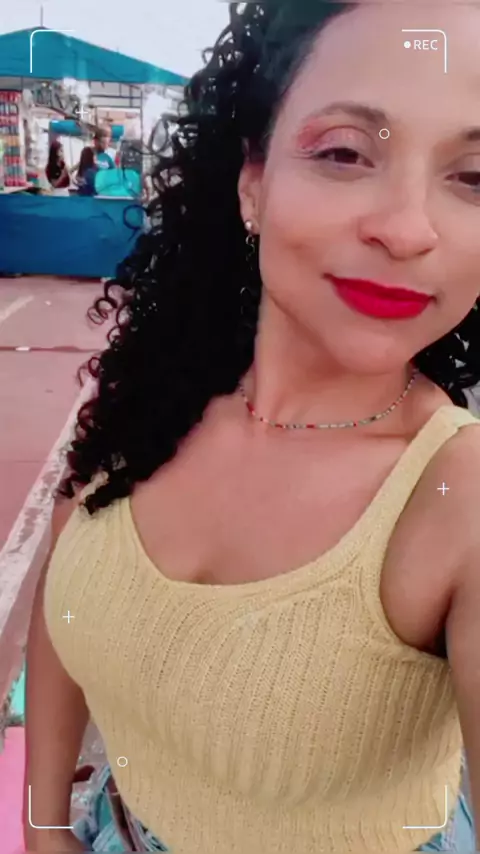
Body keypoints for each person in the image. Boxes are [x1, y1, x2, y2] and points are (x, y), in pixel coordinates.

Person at [23, 2, 480, 852]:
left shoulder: (458, 496)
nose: (408, 229)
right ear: (252, 183)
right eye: (345, 153)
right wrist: (45, 824)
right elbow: (65, 607)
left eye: (476, 179)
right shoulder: (149, 399)